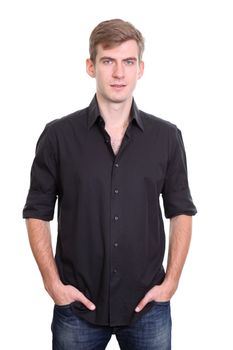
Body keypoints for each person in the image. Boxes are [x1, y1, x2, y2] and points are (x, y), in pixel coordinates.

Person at [23, 18, 197, 350]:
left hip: (148, 308)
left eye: (128, 62)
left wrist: (171, 282)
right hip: (76, 308)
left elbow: (181, 211)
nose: (119, 73)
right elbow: (37, 212)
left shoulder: (167, 138)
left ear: (140, 68)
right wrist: (52, 283)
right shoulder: (58, 136)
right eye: (108, 61)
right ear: (91, 66)